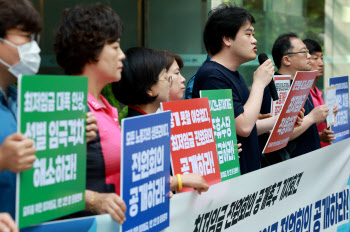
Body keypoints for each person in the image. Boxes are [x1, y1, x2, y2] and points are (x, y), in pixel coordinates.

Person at [54, 4, 126, 224]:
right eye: (114, 47)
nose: (122, 55)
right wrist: (95, 200)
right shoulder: (65, 108)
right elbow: (48, 185)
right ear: (89, 51)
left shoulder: (103, 105)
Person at [191, 4, 277, 174]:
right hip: (230, 182)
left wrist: (282, 119)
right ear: (227, 39)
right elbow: (244, 127)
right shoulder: (212, 76)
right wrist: (259, 84)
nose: (254, 40)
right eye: (248, 34)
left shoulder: (232, 74)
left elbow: (243, 126)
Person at [112, 47, 209, 194]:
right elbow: (141, 183)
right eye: (166, 77)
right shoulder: (137, 129)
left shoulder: (147, 121)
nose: (170, 82)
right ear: (150, 89)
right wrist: (180, 181)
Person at [271, 33, 337, 157]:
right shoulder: (277, 87)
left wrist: (322, 116)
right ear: (286, 60)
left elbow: (301, 126)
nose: (308, 57)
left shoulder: (300, 85)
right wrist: (312, 117)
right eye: (303, 52)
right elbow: (280, 134)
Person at [303, 38, 338, 147]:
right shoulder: (302, 94)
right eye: (315, 58)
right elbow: (294, 132)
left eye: (322, 58)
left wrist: (331, 117)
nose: (321, 63)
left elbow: (323, 128)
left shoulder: (318, 92)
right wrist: (318, 136)